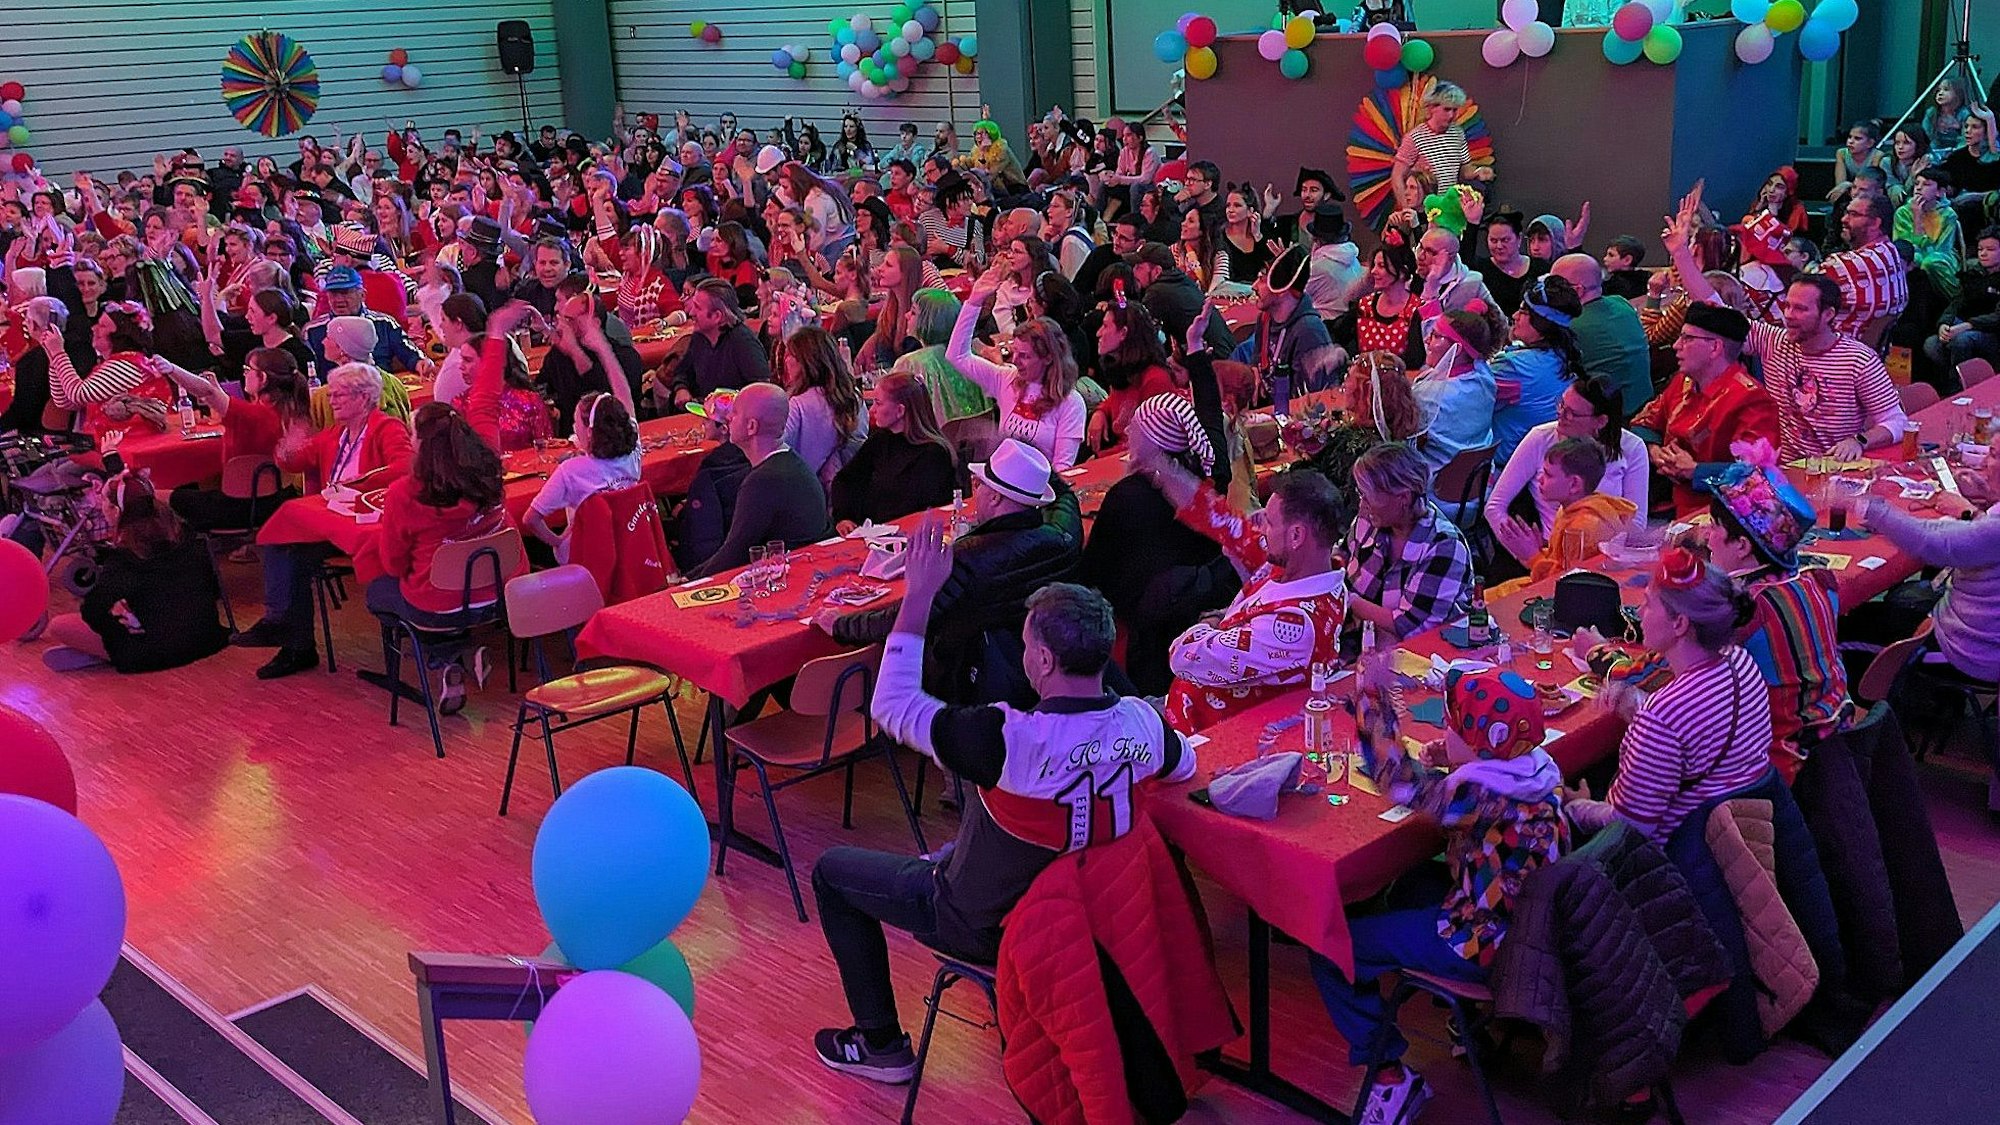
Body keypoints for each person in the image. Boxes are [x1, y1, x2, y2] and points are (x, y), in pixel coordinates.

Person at [811, 523, 1194, 1082]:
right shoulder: (1143, 723)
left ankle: (882, 1047)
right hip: (1088, 912)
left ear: (1040, 659)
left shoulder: (1005, 739)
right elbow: (1185, 765)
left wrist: (918, 596)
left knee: (830, 874)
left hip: (982, 920)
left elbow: (891, 707)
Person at [1315, 665, 1565, 1125]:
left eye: (1452, 725)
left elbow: (1399, 779)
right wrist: (1458, 761)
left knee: (1331, 949)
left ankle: (1388, 1077)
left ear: (1477, 743)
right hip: (1528, 932)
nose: (1445, 729)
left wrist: (1370, 697)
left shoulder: (1481, 797)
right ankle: (1455, 1018)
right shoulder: (1535, 775)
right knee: (1409, 886)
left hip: (1482, 942)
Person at [818, 438, 1083, 707]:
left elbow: (908, 617)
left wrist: (841, 624)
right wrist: (1031, 469)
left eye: (979, 485)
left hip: (965, 687)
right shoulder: (1064, 536)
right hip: (1033, 673)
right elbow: (1065, 499)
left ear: (995, 497)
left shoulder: (968, 559)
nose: (974, 492)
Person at [1565, 548, 1773, 844]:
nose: (1638, 613)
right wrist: (1633, 708)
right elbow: (1696, 732)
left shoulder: (1661, 717)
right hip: (1741, 836)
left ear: (1680, 624)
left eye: (1648, 604)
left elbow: (1629, 828)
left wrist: (1576, 808)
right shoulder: (1741, 662)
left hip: (1676, 860)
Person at [1134, 454, 1348, 733]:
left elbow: (1184, 655)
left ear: (1296, 536)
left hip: (1197, 736)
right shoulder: (1296, 567)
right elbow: (1217, 519)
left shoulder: (1296, 625)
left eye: (1269, 522)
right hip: (1182, 709)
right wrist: (1161, 466)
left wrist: (1211, 622)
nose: (1259, 527)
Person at [240, 362, 413, 679]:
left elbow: (404, 468)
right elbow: (297, 459)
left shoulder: (387, 428)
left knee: (293, 558)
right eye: (331, 394)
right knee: (279, 545)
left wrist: (357, 484)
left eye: (339, 395)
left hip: (369, 524)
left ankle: (292, 641)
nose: (331, 400)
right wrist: (287, 448)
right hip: (332, 522)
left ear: (363, 398)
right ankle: (287, 634)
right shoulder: (335, 433)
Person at [1698, 441, 1854, 781]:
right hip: (1841, 746)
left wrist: (1597, 654)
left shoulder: (1744, 611)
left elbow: (1674, 678)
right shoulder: (1821, 581)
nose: (1705, 536)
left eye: (1713, 527)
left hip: (1782, 768)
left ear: (1741, 546)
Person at [368, 400, 526, 711]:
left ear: (423, 444)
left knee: (379, 591)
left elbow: (394, 563)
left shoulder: (405, 494)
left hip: (439, 605)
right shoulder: (490, 480)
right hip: (498, 597)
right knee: (437, 592)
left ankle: (446, 659)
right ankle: (462, 654)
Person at [1076, 393, 1235, 694]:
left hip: (1148, 641)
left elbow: (1092, 573)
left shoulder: (1127, 497)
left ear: (1149, 442)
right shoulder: (1208, 480)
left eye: (1135, 431)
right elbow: (1211, 416)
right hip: (1202, 622)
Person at [1840, 439, 2000, 686]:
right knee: (1900, 598)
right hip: (1980, 637)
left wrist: (1862, 504)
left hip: (1967, 654)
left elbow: (1933, 544)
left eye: (1994, 455)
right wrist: (1989, 497)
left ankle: (1871, 715)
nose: (1983, 463)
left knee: (1838, 629)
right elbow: (1970, 536)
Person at [40, 471, 230, 673]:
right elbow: (213, 589)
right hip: (210, 637)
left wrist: (119, 632)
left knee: (59, 625)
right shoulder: (192, 539)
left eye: (102, 500)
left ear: (115, 511)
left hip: (158, 652)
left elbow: (93, 611)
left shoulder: (125, 559)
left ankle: (102, 653)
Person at [1631, 303, 1782, 515]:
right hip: (1670, 504)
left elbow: (1755, 474)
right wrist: (1656, 452)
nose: (1676, 345)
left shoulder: (1751, 398)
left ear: (1715, 348)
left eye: (1687, 338)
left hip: (1723, 513)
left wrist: (1695, 471)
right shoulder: (1682, 382)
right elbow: (1642, 425)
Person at [157, 346, 312, 530]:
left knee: (153, 496)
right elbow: (213, 393)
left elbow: (207, 392)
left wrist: (171, 369)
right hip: (278, 498)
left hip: (243, 507)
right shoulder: (290, 413)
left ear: (263, 378)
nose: (244, 374)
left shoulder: (255, 416)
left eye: (248, 370)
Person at [685, 382, 831, 577]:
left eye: (734, 413)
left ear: (751, 427)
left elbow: (734, 554)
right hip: (806, 571)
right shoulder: (788, 463)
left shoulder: (763, 481)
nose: (728, 418)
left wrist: (686, 582)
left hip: (792, 582)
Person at [950, 269, 1088, 469]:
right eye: (1015, 352)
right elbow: (957, 356)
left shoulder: (1071, 403)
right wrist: (974, 302)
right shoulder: (1006, 379)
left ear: (1048, 357)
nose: (1015, 361)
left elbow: (1063, 468)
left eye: (1025, 356)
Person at [1344, 441, 1474, 651]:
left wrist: (1344, 598)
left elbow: (1407, 626)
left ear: (1403, 497)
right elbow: (1343, 556)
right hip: (1361, 640)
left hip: (1422, 657)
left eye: (1367, 496)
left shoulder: (1445, 547)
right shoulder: (1370, 519)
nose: (1362, 505)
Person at [1739, 185, 1907, 339]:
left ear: (1875, 223)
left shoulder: (1844, 265)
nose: (1843, 219)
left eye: (1853, 214)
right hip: (1868, 356)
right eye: (1846, 212)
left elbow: (1798, 298)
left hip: (1833, 357)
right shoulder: (1892, 253)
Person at [1490, 438, 1637, 591]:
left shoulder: (1585, 527)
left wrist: (1533, 556)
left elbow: (1568, 586)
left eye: (1548, 474)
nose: (1540, 479)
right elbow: (1559, 561)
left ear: (1574, 484)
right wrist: (1537, 549)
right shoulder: (1567, 510)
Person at [830, 369, 958, 531]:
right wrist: (844, 517)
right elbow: (846, 480)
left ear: (900, 411)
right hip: (873, 533)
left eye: (879, 403)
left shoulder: (933, 455)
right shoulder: (880, 440)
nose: (872, 410)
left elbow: (915, 510)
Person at [1489, 275, 1586, 468]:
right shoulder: (1565, 354)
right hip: (1541, 459)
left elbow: (1471, 400)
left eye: (1524, 311)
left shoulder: (1514, 366)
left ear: (1542, 323)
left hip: (1503, 466)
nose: (1515, 316)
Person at [1229, 246, 1346, 395]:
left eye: (1262, 280)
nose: (1254, 286)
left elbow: (1309, 402)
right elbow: (1257, 361)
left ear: (1281, 290)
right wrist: (1253, 371)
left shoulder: (1308, 331)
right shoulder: (1265, 319)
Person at [1548, 253, 1654, 414]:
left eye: (1554, 286)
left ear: (1577, 291)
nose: (1547, 292)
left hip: (1609, 422)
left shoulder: (1568, 326)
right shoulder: (1622, 303)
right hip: (1645, 407)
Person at [1410, 308, 1497, 476]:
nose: (1427, 340)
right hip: (1477, 487)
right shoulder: (1485, 377)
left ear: (1456, 350)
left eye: (1435, 336)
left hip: (1433, 490)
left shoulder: (1429, 396)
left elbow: (1405, 436)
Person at [672, 389, 752, 572]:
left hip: (714, 564)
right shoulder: (753, 456)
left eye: (707, 420)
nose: (702, 423)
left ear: (724, 429)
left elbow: (701, 535)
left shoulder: (710, 471)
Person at [777, 326, 868, 484]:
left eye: (790, 355)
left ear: (806, 362)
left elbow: (777, 448)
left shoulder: (798, 405)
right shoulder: (853, 396)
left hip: (808, 489)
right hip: (852, 485)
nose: (786, 361)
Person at [1089, 298, 1182, 450]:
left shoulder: (1156, 380)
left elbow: (1147, 447)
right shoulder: (1120, 369)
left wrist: (1098, 459)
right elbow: (1115, 400)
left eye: (1105, 326)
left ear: (1123, 333)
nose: (1099, 333)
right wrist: (1100, 412)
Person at [666, 277, 770, 411]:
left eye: (697, 307)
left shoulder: (744, 344)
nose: (691, 313)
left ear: (717, 316)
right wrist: (681, 388)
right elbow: (683, 371)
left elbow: (762, 393)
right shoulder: (700, 337)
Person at [1335, 237, 1425, 370]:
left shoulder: (1416, 310)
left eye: (1381, 266)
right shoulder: (1364, 305)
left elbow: (1415, 361)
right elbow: (1337, 332)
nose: (1373, 271)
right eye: (1374, 265)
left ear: (1401, 273)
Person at [1391, 81, 1492, 195]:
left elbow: (1464, 169)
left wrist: (1477, 172)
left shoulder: (1457, 133)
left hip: (1448, 204)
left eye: (1454, 110)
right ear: (1432, 108)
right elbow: (1397, 177)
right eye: (1447, 109)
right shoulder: (1415, 138)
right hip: (1426, 207)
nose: (1451, 115)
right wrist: (1406, 209)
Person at [1931, 225, 2000, 373]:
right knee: (1931, 344)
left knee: (1962, 340)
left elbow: (1997, 317)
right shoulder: (1973, 272)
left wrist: (1968, 325)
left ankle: (1958, 386)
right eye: (1980, 249)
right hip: (1966, 325)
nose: (1983, 254)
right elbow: (1957, 302)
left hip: (1992, 332)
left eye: (1990, 250)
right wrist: (1945, 323)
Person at [1477, 211, 1549, 316]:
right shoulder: (1481, 269)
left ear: (1519, 239)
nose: (1499, 246)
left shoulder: (1540, 268)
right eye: (1493, 240)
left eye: (1505, 240)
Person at [1303, 203, 1366, 321]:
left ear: (1316, 238)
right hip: (1349, 323)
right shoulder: (1350, 255)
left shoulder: (1319, 267)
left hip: (1327, 326)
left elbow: (1296, 296)